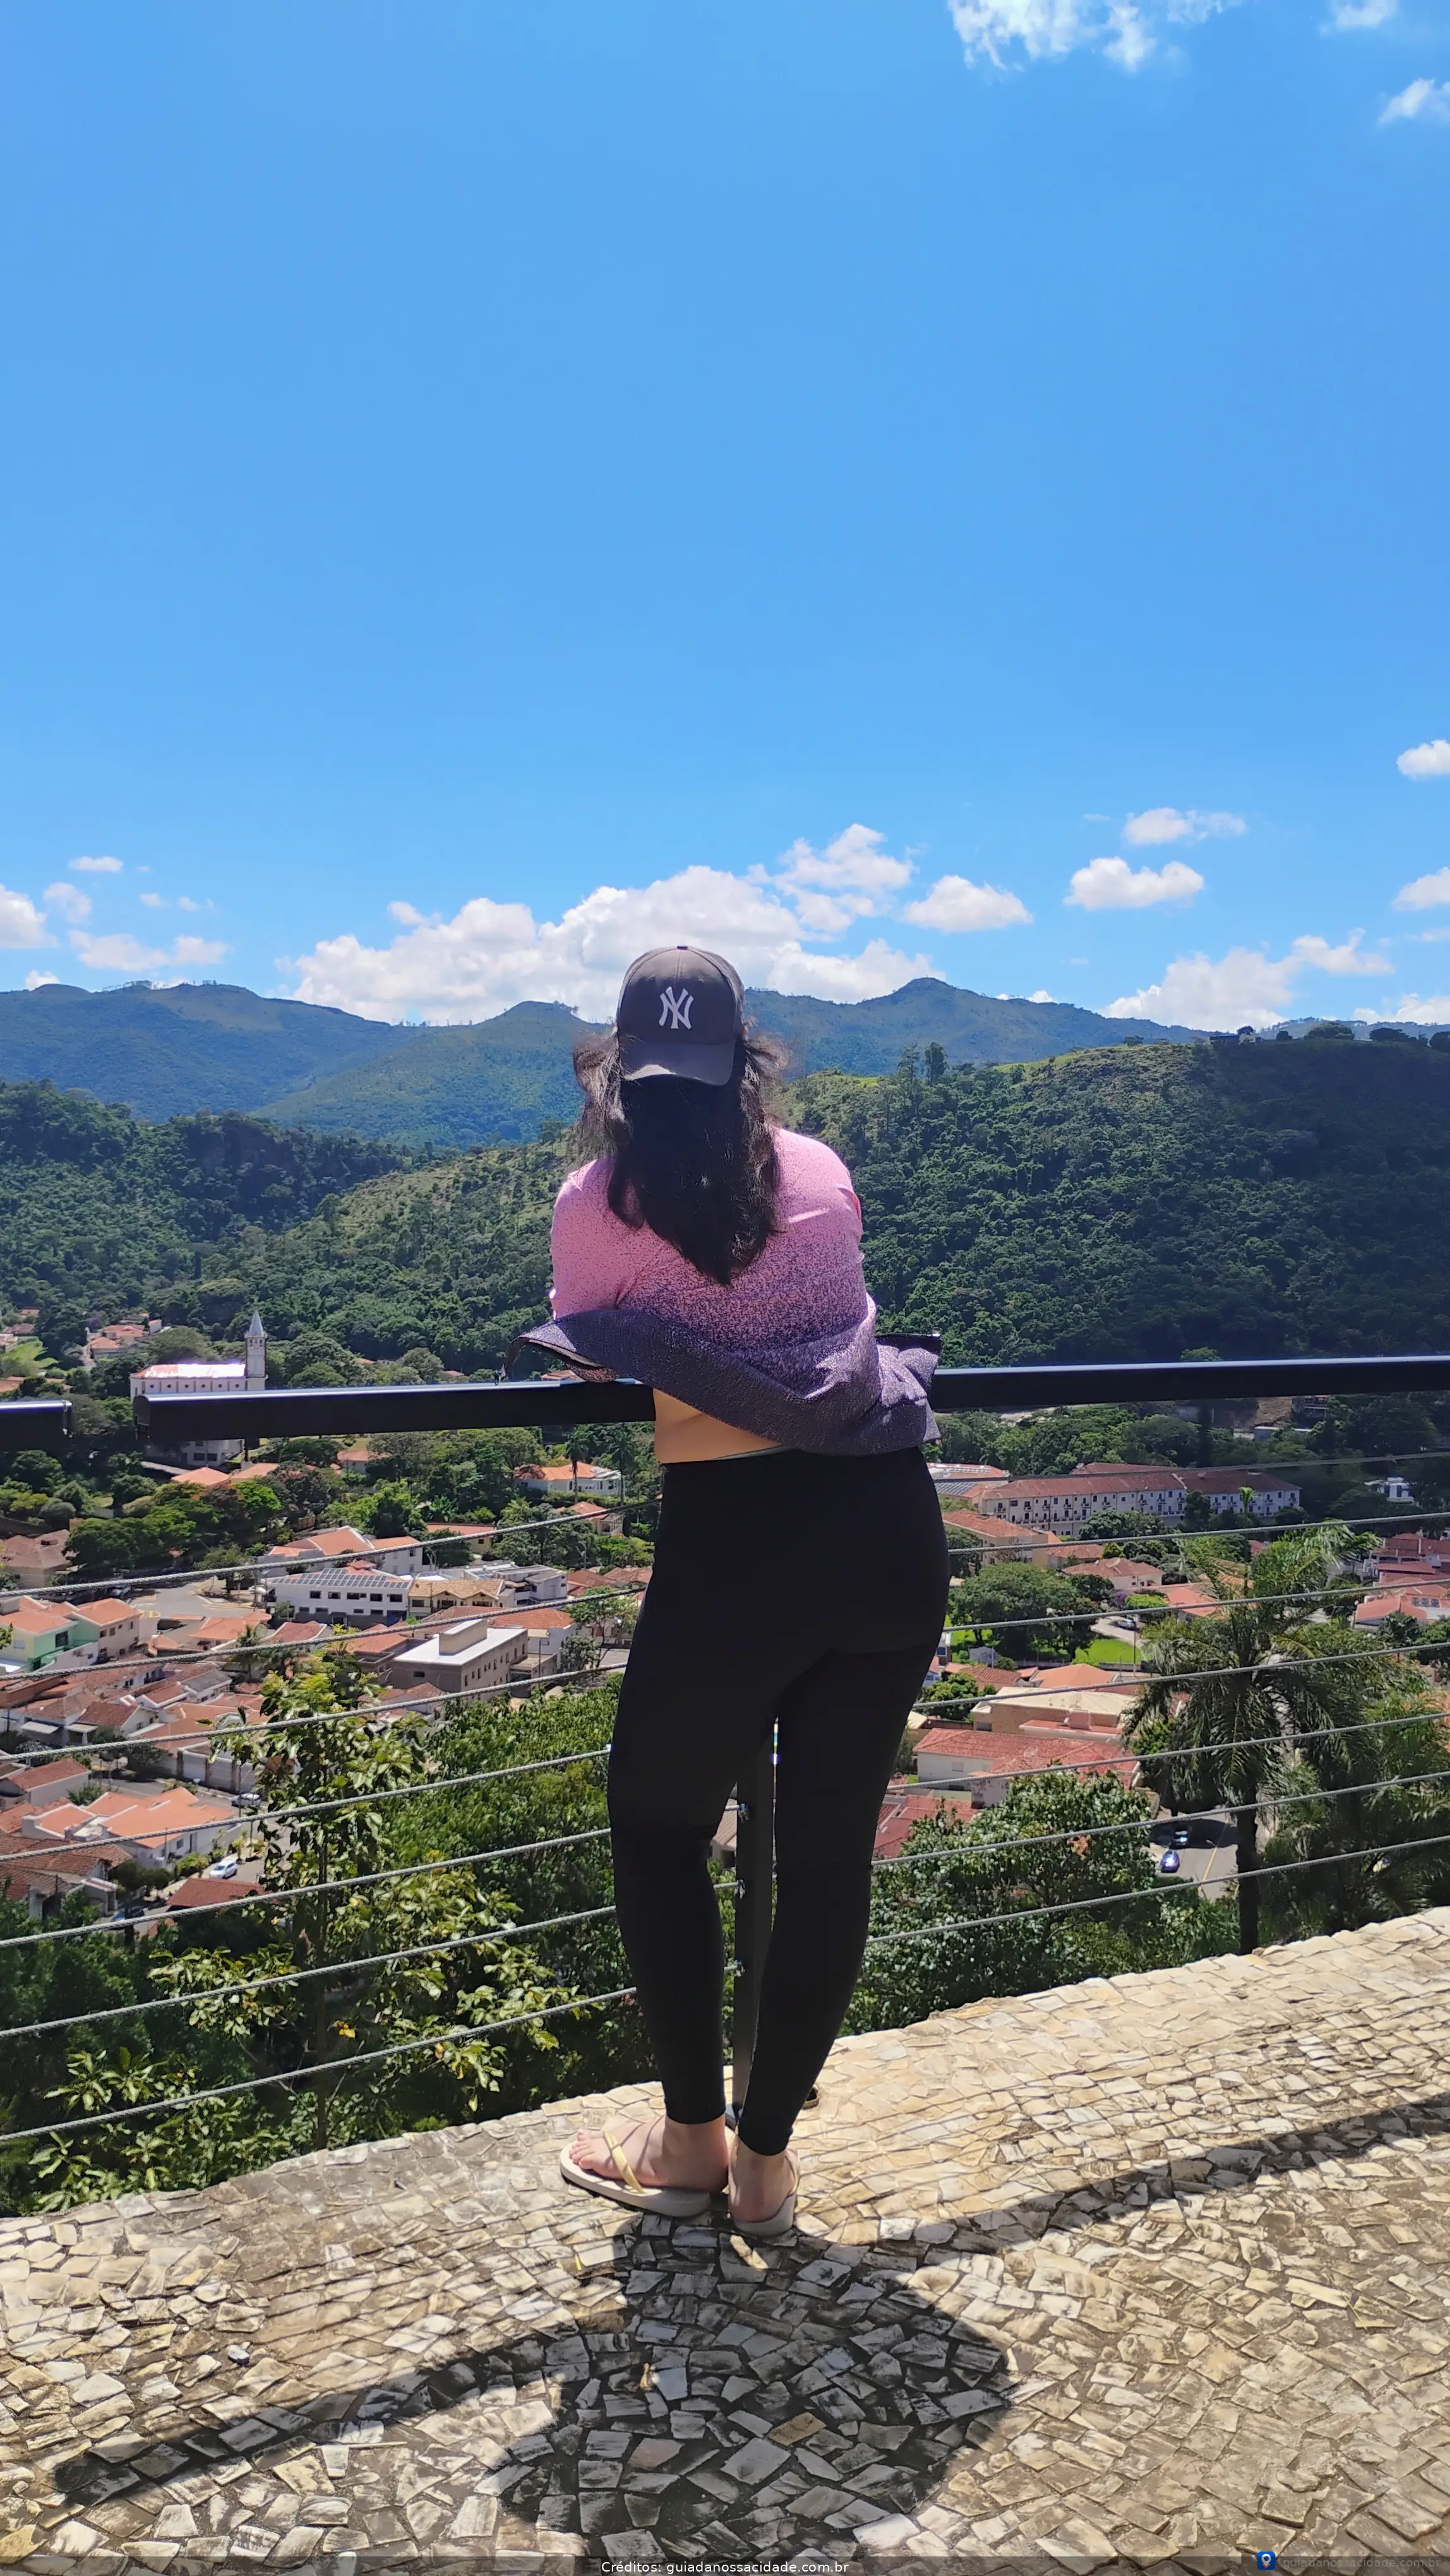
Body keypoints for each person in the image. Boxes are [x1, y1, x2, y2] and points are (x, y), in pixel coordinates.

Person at [532, 944, 948, 2236]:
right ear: (746, 1062)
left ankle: (689, 2144)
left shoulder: (595, 1206)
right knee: (826, 1859)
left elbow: (591, 1345)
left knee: (657, 1831)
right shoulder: (820, 1176)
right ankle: (767, 2166)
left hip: (736, 1555)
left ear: (617, 1074)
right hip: (888, 1528)